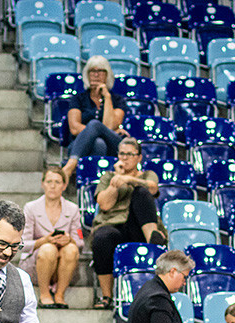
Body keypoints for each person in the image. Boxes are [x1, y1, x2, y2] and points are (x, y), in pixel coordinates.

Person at [89, 137, 166, 309]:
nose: (124, 158)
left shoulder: (146, 175)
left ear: (139, 157)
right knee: (102, 238)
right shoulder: (108, 176)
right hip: (113, 225)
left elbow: (153, 188)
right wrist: (117, 179)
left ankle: (153, 240)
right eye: (122, 154)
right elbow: (105, 204)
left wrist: (130, 180)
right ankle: (107, 296)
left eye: (130, 154)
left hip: (138, 226)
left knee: (141, 191)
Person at [20, 167, 83, 309]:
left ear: (64, 186)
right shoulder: (31, 208)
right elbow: (21, 244)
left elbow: (80, 243)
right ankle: (44, 295)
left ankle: (60, 294)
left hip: (63, 263)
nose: (53, 186)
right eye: (49, 181)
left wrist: (69, 239)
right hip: (36, 263)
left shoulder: (72, 209)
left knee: (71, 249)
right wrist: (44, 241)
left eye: (57, 182)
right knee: (48, 249)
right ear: (43, 184)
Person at [60, 55, 128, 183]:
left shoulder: (117, 100)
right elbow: (74, 128)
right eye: (92, 71)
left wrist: (107, 97)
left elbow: (110, 126)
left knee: (95, 125)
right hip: (80, 144)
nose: (96, 75)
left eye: (101, 71)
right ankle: (93, 185)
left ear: (107, 75)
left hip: (113, 144)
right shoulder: (78, 99)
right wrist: (97, 131)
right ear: (87, 75)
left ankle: (70, 165)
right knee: (98, 143)